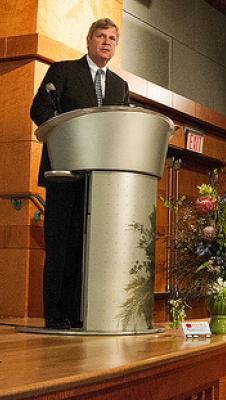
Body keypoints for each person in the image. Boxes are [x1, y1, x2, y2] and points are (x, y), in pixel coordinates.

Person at [30, 18, 130, 329]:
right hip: (65, 173)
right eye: (101, 36)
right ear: (88, 40)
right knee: (62, 246)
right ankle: (56, 316)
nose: (106, 42)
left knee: (91, 249)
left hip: (101, 181)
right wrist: (72, 132)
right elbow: (40, 110)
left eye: (112, 38)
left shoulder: (119, 85)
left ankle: (81, 314)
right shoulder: (63, 71)